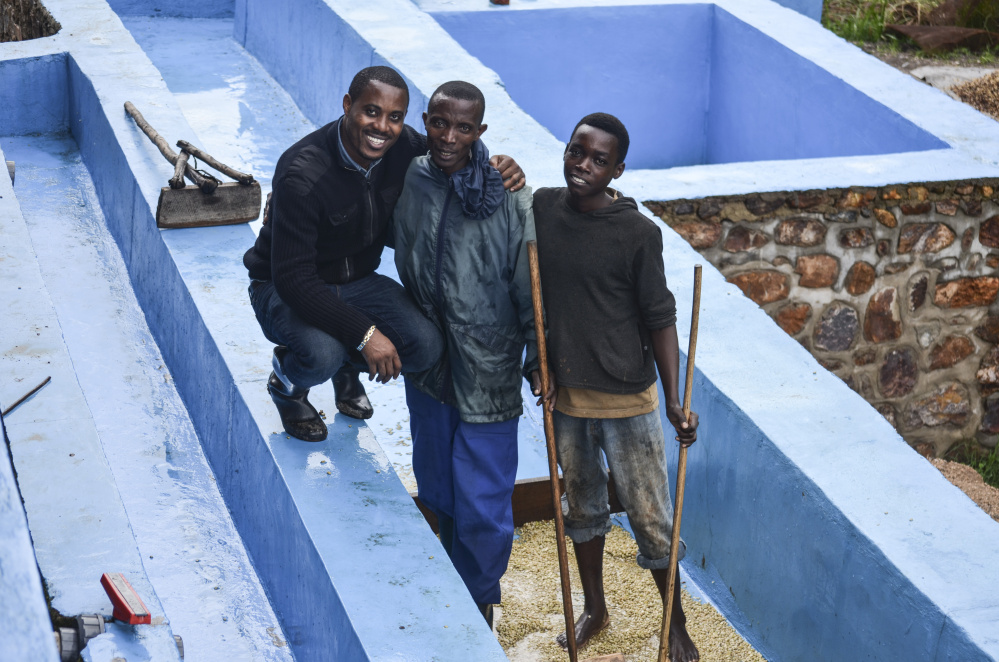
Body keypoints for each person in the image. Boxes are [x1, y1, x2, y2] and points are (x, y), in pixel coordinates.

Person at [243, 66, 524, 441]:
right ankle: (286, 382)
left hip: (357, 281)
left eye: (395, 117)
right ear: (347, 105)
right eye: (370, 111)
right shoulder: (302, 173)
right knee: (321, 354)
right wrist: (364, 334)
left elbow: (452, 149)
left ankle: (347, 368)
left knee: (425, 347)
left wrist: (496, 164)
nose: (382, 127)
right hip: (281, 287)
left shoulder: (403, 146)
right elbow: (294, 280)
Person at [533, 113, 701, 662]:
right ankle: (595, 608)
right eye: (577, 151)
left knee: (650, 515)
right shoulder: (542, 210)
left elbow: (661, 317)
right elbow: (530, 298)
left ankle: (673, 626)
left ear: (618, 169)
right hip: (567, 398)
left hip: (629, 398)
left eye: (598, 159)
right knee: (581, 506)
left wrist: (675, 401)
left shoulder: (637, 232)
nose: (583, 164)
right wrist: (537, 364)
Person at [392, 81, 538, 626]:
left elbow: (530, 288)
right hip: (430, 365)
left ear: (481, 131)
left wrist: (535, 361)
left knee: (484, 501)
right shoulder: (413, 175)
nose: (449, 138)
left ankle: (478, 602)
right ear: (425, 121)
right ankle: (455, 579)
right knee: (438, 482)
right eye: (439, 124)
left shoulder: (509, 192)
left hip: (489, 369)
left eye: (464, 128)